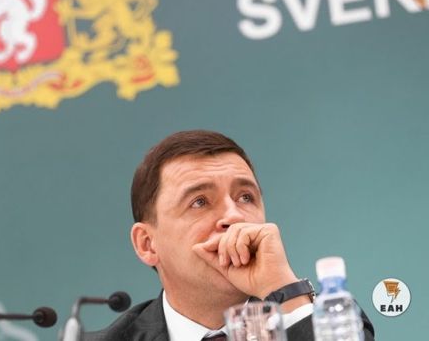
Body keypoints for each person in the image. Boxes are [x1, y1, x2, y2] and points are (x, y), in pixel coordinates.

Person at [86, 130, 374, 340]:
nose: (234, 216)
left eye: (245, 197)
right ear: (147, 244)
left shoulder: (331, 320)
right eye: (199, 201)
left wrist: (286, 291)